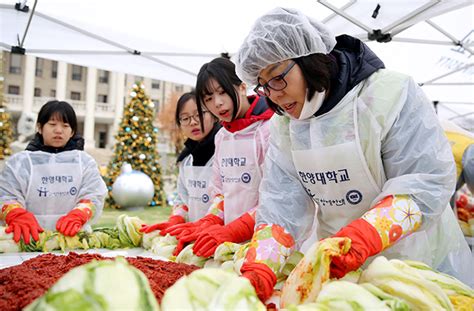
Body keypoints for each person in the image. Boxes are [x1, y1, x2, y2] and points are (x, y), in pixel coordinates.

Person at [233, 7, 473, 301]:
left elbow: (425, 182)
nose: (274, 94)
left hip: (416, 269)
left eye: (277, 78)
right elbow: (282, 203)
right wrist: (262, 264)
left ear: (308, 59)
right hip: (341, 274)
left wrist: (364, 235)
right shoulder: (285, 127)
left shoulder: (389, 95)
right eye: (263, 85)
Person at [161, 57, 274, 257]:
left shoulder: (270, 129)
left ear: (241, 86)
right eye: (208, 98)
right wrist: (209, 221)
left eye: (222, 92)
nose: (218, 103)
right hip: (230, 247)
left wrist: (234, 230)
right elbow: (221, 192)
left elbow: (276, 198)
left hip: (270, 245)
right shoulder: (222, 136)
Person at [0, 100, 107, 244]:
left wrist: (79, 214)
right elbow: (6, 194)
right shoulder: (20, 163)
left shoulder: (85, 162)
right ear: (39, 127)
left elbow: (94, 195)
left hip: (73, 239)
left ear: (72, 131)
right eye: (52, 124)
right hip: (28, 239)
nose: (58, 130)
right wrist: (16, 214)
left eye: (65, 125)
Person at [140, 92, 221, 237]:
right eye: (185, 118)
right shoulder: (186, 160)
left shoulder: (226, 151)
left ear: (214, 115)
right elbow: (182, 198)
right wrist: (176, 219)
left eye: (199, 115)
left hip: (221, 237)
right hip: (194, 237)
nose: (193, 122)